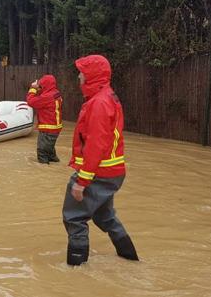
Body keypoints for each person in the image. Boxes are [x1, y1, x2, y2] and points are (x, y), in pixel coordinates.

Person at [62, 54, 138, 266]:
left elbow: (96, 144)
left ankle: (75, 272)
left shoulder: (99, 103)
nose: (79, 76)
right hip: (111, 172)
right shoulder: (106, 97)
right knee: (105, 217)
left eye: (82, 73)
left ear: (91, 76)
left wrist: (82, 182)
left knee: (74, 217)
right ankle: (130, 260)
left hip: (98, 173)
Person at [26, 74, 63, 164]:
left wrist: (33, 89)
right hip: (55, 128)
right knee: (49, 149)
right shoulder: (55, 93)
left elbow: (31, 102)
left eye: (41, 85)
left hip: (48, 129)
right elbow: (43, 97)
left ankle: (44, 167)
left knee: (42, 151)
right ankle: (54, 162)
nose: (40, 87)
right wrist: (39, 88)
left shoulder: (47, 97)